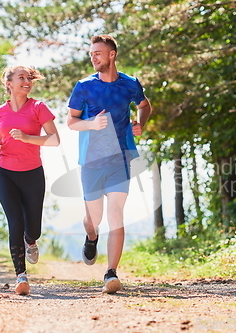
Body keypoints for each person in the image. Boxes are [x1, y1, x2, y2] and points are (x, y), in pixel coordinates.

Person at [67, 35, 152, 294]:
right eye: (91, 53)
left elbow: (145, 106)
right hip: (92, 159)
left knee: (116, 213)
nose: (93, 57)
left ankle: (111, 273)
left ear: (112, 55)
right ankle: (91, 237)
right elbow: (71, 122)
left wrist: (141, 123)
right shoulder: (83, 86)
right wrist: (91, 124)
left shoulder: (129, 84)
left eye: (97, 53)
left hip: (121, 157)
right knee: (95, 219)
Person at [0, 65, 60, 295]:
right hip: (5, 173)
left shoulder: (38, 107)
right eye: (21, 77)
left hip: (32, 174)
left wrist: (28, 138)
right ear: (9, 83)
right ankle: (21, 276)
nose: (27, 81)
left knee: (32, 229)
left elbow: (54, 140)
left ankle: (31, 241)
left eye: (29, 78)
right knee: (15, 223)